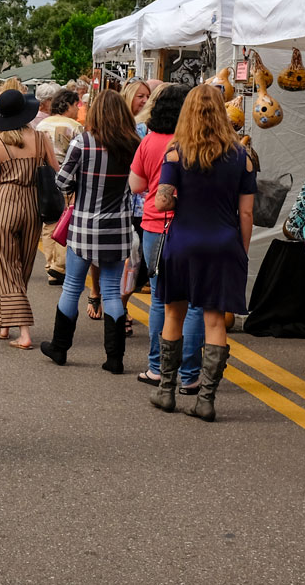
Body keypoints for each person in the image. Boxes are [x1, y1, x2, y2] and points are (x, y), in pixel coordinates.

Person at [145, 85, 257, 420]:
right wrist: (242, 249)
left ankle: (166, 391)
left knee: (174, 314)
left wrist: (182, 202)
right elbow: (247, 213)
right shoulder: (242, 156)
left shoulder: (177, 152)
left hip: (183, 243)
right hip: (223, 244)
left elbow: (162, 200)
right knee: (214, 321)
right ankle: (205, 399)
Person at [41, 87, 139, 371]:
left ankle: (60, 348)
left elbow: (62, 183)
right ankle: (114, 358)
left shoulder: (83, 143)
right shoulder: (134, 143)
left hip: (84, 225)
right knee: (111, 291)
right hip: (118, 227)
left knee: (72, 287)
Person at [128, 84, 204, 393]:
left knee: (161, 298)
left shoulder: (150, 141)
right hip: (195, 227)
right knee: (196, 303)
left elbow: (136, 185)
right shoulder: (199, 142)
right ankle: (190, 374)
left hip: (156, 227)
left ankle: (158, 367)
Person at [0, 88, 58, 349]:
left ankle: (23, 332)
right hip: (33, 204)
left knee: (6, 268)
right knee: (23, 266)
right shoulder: (40, 137)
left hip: (5, 203)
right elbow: (56, 172)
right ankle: (5, 322)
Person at [35, 88, 84, 285]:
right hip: (66, 177)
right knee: (66, 221)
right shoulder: (74, 127)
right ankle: (60, 265)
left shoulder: (42, 124)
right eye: (76, 105)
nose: (78, 109)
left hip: (43, 177)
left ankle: (49, 265)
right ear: (68, 105)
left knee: (49, 222)